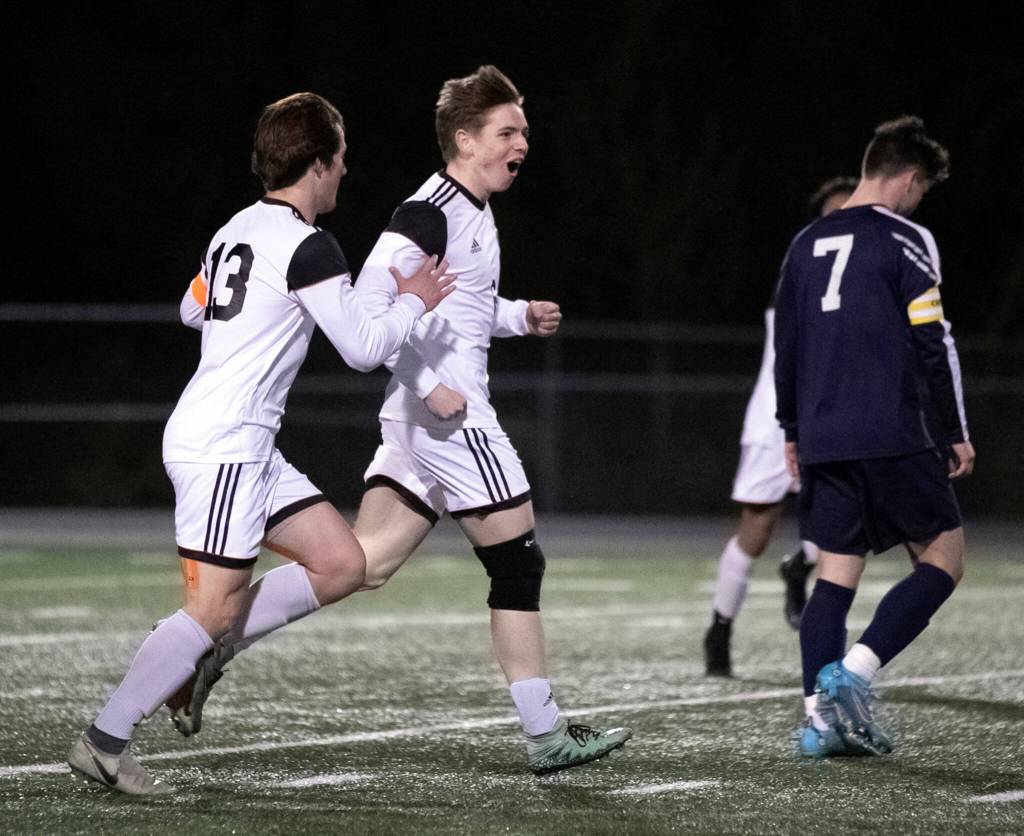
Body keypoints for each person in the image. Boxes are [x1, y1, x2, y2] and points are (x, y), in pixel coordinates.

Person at [173, 66, 633, 776]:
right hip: (452, 419)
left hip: (425, 421)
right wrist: (427, 380)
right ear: (464, 139)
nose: (522, 144)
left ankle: (211, 644)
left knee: (366, 564)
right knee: (518, 563)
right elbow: (367, 302)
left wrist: (518, 316)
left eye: (525, 132)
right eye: (507, 132)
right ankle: (544, 732)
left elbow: (461, 308)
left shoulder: (470, 208)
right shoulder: (429, 212)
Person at [67, 92, 454, 795]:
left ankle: (201, 646)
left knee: (341, 564)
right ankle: (106, 740)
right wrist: (414, 301)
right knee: (211, 609)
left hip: (245, 443)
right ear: (316, 162)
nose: (344, 171)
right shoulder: (309, 244)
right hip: (225, 444)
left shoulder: (234, 230)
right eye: (339, 158)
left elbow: (193, 306)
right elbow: (364, 348)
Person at [773, 116, 974, 757]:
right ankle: (852, 676)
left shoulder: (804, 244)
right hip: (893, 427)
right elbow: (931, 339)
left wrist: (792, 430)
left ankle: (819, 726)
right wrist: (955, 430)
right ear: (909, 179)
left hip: (825, 435)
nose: (920, 201)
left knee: (833, 580)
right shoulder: (907, 238)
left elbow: (787, 346)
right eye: (922, 189)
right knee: (944, 560)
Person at [703, 177, 857, 677]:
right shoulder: (804, 263)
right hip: (778, 418)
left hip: (829, 414)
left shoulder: (863, 269)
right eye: (835, 213)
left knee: (844, 517)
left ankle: (801, 568)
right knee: (758, 526)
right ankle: (720, 626)